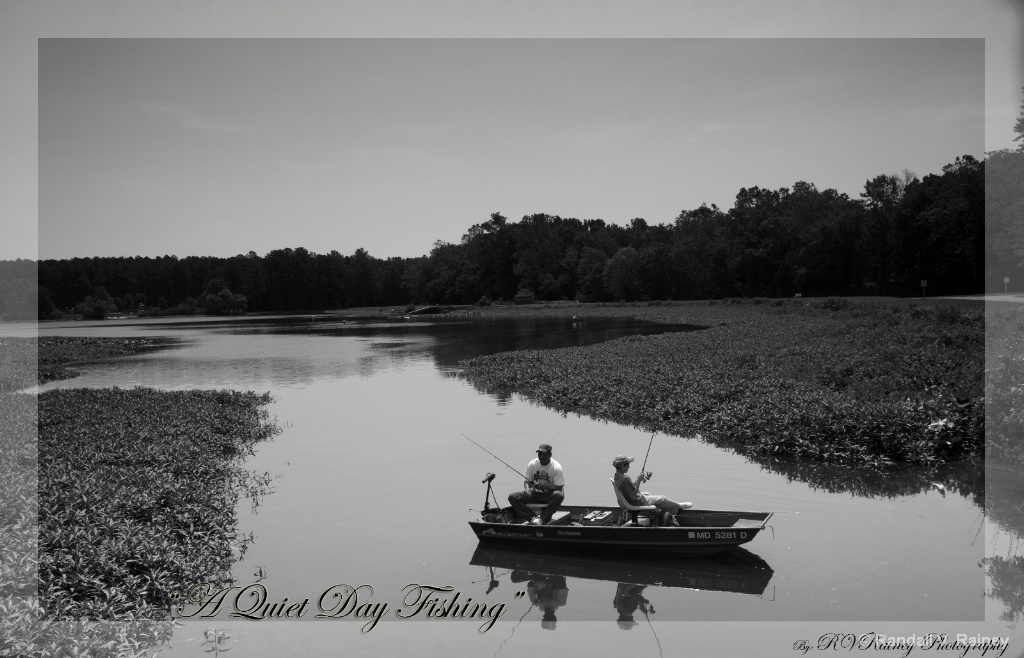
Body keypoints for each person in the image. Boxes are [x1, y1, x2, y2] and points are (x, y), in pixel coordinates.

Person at [611, 455, 691, 526]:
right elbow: (633, 496)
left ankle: (671, 507)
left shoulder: (618, 476)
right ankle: (678, 506)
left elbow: (631, 489)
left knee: (648, 494)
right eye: (628, 465)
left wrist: (641, 479)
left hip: (633, 500)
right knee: (662, 499)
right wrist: (638, 481)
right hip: (636, 501)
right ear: (623, 466)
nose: (629, 467)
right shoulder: (624, 478)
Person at [508, 443, 565, 524]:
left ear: (550, 455)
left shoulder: (556, 467)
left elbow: (559, 487)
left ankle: (542, 518)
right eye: (539, 453)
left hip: (548, 495)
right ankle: (532, 517)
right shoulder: (532, 464)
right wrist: (527, 489)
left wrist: (543, 486)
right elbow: (526, 480)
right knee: (513, 497)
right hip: (534, 493)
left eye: (544, 454)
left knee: (559, 495)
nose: (541, 456)